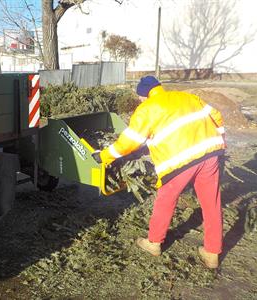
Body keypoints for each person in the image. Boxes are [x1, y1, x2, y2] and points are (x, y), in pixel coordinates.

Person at [95, 76, 225, 268]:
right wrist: (220, 140)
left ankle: (154, 243)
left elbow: (128, 142)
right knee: (211, 203)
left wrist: (105, 156)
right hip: (210, 153)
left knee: (166, 200)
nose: (140, 100)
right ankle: (212, 253)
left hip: (180, 160)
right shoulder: (187, 97)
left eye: (140, 97)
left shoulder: (147, 108)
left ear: (144, 95)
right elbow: (217, 116)